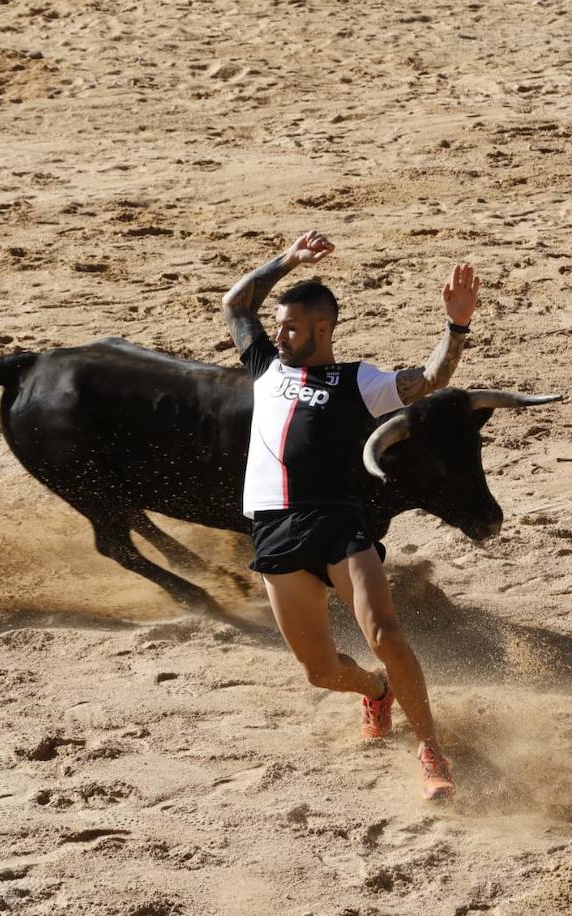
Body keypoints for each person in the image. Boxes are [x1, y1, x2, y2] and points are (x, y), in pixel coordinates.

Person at [222, 229, 479, 801]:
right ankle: (376, 691)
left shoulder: (358, 380)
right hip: (274, 526)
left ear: (322, 330)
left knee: (385, 631)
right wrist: (287, 260)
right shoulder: (265, 366)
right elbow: (236, 303)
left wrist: (455, 326)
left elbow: (432, 379)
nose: (279, 333)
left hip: (338, 520)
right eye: (279, 325)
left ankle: (431, 749)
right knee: (319, 671)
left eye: (290, 326)